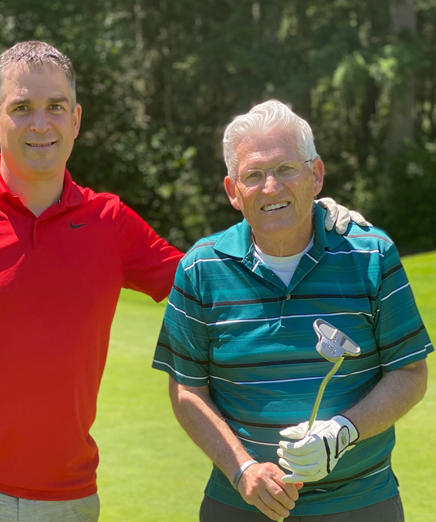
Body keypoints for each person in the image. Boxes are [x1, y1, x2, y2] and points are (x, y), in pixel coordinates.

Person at [0, 41, 362, 522]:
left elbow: (214, 279)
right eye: (22, 108)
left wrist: (305, 215)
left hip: (72, 501)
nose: (40, 123)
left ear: (75, 120)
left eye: (55, 107)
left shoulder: (109, 221)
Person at [152, 100, 431, 521]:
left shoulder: (372, 255)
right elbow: (188, 390)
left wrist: (343, 431)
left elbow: (410, 373)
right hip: (240, 506)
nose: (271, 188)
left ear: (315, 175)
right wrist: (241, 468)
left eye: (286, 169)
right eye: (254, 175)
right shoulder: (201, 267)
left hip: (360, 504)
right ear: (233, 190)